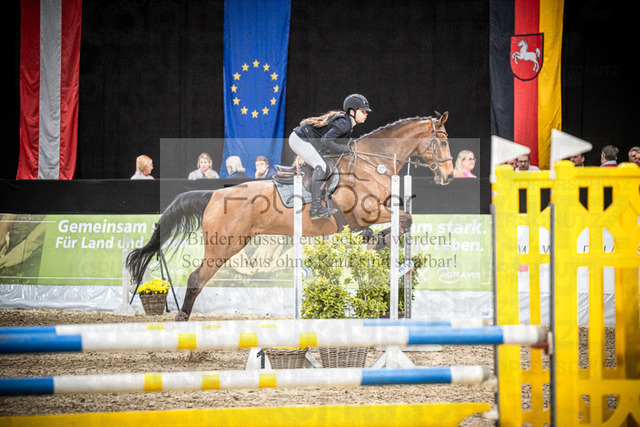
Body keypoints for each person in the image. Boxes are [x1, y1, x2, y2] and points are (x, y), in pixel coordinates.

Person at [288, 94, 370, 219]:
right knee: (321, 166)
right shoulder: (344, 124)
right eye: (362, 111)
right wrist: (344, 149)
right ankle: (315, 208)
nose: (366, 114)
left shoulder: (347, 124)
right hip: (300, 139)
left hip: (308, 141)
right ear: (352, 111)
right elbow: (326, 141)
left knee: (323, 164)